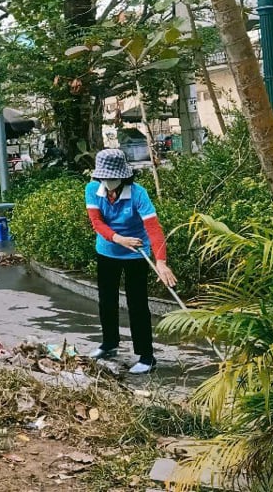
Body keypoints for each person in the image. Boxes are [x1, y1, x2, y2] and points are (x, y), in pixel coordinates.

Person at [84, 148, 177, 375]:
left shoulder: (138, 194)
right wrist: (118, 239)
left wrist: (161, 261)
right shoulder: (92, 189)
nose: (108, 182)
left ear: (123, 176)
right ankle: (109, 344)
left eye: (112, 178)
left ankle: (146, 357)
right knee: (106, 300)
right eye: (103, 177)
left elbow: (153, 229)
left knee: (137, 304)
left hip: (136, 253)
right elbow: (97, 222)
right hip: (107, 250)